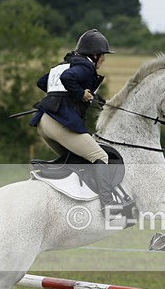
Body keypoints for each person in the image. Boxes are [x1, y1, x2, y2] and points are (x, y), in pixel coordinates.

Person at [29, 29, 117, 212]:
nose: (103, 59)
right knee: (100, 157)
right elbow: (67, 78)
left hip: (43, 123)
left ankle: (76, 202)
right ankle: (109, 206)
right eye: (102, 55)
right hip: (58, 123)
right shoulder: (85, 67)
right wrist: (79, 94)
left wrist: (60, 96)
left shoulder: (65, 64)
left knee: (78, 160)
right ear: (94, 55)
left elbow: (42, 81)